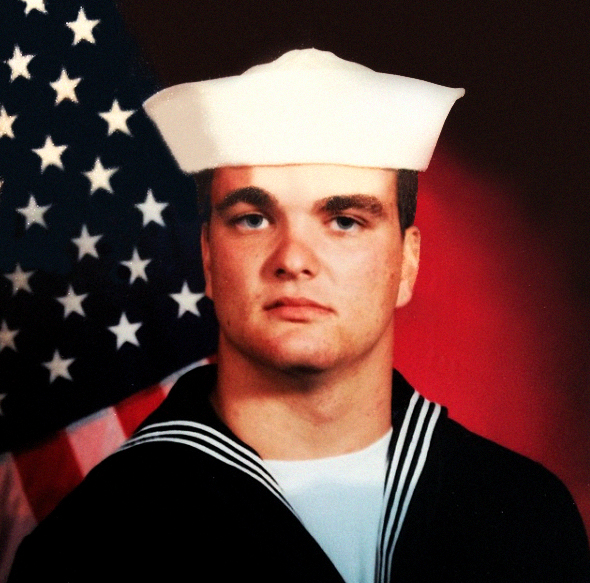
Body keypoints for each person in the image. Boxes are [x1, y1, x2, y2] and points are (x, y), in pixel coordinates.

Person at [9, 49, 590, 582]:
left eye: (344, 221)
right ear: (209, 259)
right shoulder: (93, 541)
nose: (293, 260)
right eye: (254, 219)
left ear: (407, 262)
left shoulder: (525, 517)